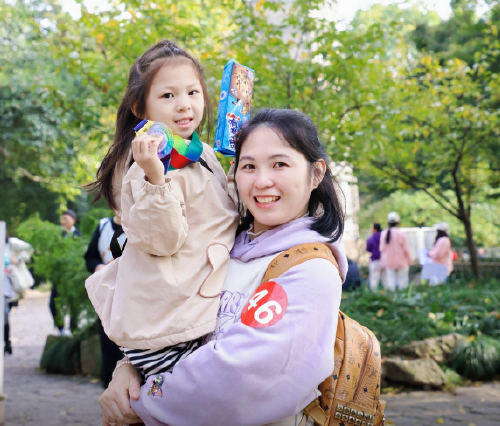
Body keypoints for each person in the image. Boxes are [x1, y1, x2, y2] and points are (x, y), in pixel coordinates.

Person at [99, 109, 348, 426]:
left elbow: (240, 378)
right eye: (249, 166)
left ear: (316, 174)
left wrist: (142, 402)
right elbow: (169, 321)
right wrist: (129, 369)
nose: (262, 181)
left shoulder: (311, 271)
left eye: (280, 164)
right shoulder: (219, 248)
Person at [85, 40, 238, 380]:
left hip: (194, 315)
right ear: (140, 108)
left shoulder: (201, 153)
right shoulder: (147, 166)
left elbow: (226, 215)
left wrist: (244, 170)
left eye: (192, 92)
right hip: (169, 328)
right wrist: (156, 179)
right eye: (168, 95)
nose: (184, 104)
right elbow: (161, 240)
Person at [84, 216, 125, 388]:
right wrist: (99, 267)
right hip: (107, 293)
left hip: (131, 293)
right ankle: (109, 381)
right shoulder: (103, 226)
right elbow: (90, 257)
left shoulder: (139, 224)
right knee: (108, 339)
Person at [50, 209, 82, 335]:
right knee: (53, 303)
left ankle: (74, 329)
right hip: (59, 275)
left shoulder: (79, 235)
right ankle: (60, 328)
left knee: (74, 304)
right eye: (62, 219)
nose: (63, 222)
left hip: (73, 275)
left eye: (66, 219)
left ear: (73, 220)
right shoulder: (57, 236)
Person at [379, 212, 412, 291]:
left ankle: (392, 297)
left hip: (389, 262)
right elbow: (406, 249)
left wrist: (382, 262)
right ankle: (403, 296)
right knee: (402, 282)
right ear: (398, 222)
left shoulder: (384, 234)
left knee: (391, 282)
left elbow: (381, 249)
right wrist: (409, 260)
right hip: (401, 261)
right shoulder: (401, 234)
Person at [366, 222, 387, 290]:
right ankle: (388, 292)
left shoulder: (371, 238)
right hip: (384, 260)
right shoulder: (384, 237)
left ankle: (374, 293)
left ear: (375, 229)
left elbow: (368, 249)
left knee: (374, 279)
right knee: (385, 279)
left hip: (375, 260)